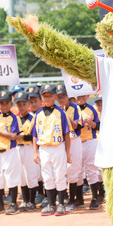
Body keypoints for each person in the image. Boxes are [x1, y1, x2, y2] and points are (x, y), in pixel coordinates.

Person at [32, 84, 71, 216]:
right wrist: (35, 152)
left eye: (49, 95)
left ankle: (61, 204)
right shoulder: (38, 114)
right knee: (47, 176)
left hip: (57, 147)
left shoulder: (60, 113)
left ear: (55, 96)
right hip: (43, 148)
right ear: (41, 97)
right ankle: (50, 204)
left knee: (60, 175)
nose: (47, 98)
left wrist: (68, 152)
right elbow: (34, 134)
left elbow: (66, 133)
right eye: (44, 96)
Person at [0, 90, 21, 215]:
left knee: (11, 176)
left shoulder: (14, 118)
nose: (3, 106)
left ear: (10, 103)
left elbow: (13, 136)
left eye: (6, 103)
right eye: (1, 104)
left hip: (10, 150)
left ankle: (13, 203)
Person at [56, 84, 84, 210]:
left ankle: (74, 200)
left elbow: (77, 126)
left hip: (74, 140)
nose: (62, 99)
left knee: (75, 168)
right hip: (62, 142)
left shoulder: (75, 107)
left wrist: (67, 117)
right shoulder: (56, 110)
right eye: (59, 97)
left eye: (64, 96)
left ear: (68, 96)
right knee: (63, 169)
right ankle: (70, 198)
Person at [76, 94, 103, 209]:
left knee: (91, 169)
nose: (80, 97)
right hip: (76, 141)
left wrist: (92, 124)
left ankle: (94, 198)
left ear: (87, 96)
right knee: (77, 171)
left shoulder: (91, 109)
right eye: (78, 95)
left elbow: (98, 125)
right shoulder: (72, 108)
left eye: (82, 95)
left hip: (89, 141)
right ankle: (79, 199)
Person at [14, 91, 38, 212]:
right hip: (18, 148)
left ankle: (32, 201)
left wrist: (24, 136)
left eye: (24, 104)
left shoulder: (33, 118)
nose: (21, 107)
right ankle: (25, 199)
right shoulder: (15, 118)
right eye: (19, 104)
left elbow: (36, 135)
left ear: (28, 105)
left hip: (29, 147)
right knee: (21, 175)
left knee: (31, 174)